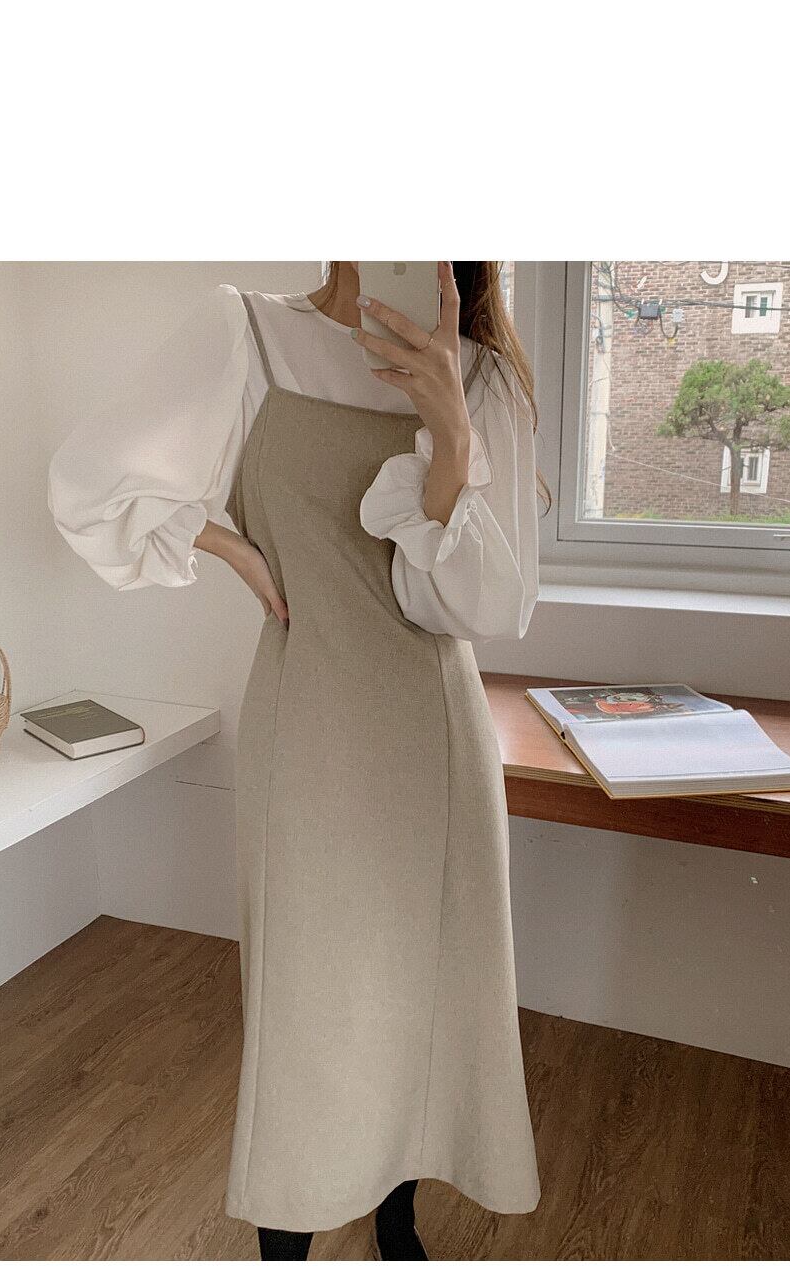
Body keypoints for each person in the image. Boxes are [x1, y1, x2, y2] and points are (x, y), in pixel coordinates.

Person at [47, 261, 547, 1259]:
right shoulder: (245, 333)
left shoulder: (482, 375)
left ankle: (398, 1217)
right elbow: (90, 486)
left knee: (428, 991)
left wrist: (452, 432)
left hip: (436, 733)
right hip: (309, 718)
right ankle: (287, 1242)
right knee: (310, 1001)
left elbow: (483, 609)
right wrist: (229, 546)